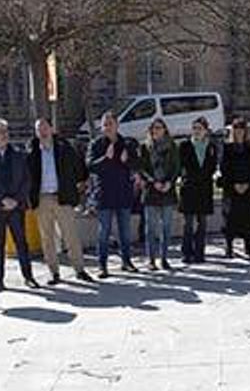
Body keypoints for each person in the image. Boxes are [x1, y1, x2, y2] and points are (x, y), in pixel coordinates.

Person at [0, 118, 39, 293]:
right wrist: (2, 200)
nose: (3, 135)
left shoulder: (19, 155)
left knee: (21, 242)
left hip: (16, 207)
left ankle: (28, 276)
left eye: (5, 131)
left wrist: (16, 200)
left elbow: (26, 180)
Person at [28, 118, 94, 283]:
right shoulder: (31, 151)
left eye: (45, 127)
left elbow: (78, 167)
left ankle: (79, 269)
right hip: (42, 198)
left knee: (70, 235)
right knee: (47, 238)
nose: (42, 131)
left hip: (62, 197)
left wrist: (80, 183)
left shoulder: (64, 148)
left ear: (52, 129)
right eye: (39, 129)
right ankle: (54, 273)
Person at [87, 112, 139, 276]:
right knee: (104, 232)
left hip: (123, 192)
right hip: (104, 193)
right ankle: (102, 265)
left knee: (125, 231)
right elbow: (90, 166)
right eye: (105, 124)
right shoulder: (96, 144)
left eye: (110, 124)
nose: (107, 127)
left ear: (117, 125)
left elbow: (136, 165)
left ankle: (126, 261)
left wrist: (127, 160)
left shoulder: (127, 143)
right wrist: (105, 158)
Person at [137, 118, 180, 270]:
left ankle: (164, 258)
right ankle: (151, 259)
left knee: (166, 227)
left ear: (164, 130)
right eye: (154, 128)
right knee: (150, 228)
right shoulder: (145, 147)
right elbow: (141, 168)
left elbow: (176, 167)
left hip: (167, 190)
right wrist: (152, 181)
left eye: (159, 127)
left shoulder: (172, 146)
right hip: (151, 191)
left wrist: (169, 182)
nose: (156, 130)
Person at [219, 119, 250, 258]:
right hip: (231, 188)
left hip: (247, 187)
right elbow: (224, 168)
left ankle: (248, 247)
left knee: (247, 218)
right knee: (230, 217)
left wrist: (248, 183)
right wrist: (234, 184)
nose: (239, 132)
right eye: (236, 129)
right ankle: (229, 247)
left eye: (241, 129)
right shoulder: (227, 148)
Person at [179, 117, 218, 264]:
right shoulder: (185, 145)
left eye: (200, 129)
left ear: (205, 131)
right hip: (189, 187)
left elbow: (212, 166)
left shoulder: (211, 147)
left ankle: (199, 252)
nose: (196, 131)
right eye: (194, 128)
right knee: (188, 223)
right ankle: (187, 252)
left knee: (202, 223)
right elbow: (183, 165)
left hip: (204, 188)